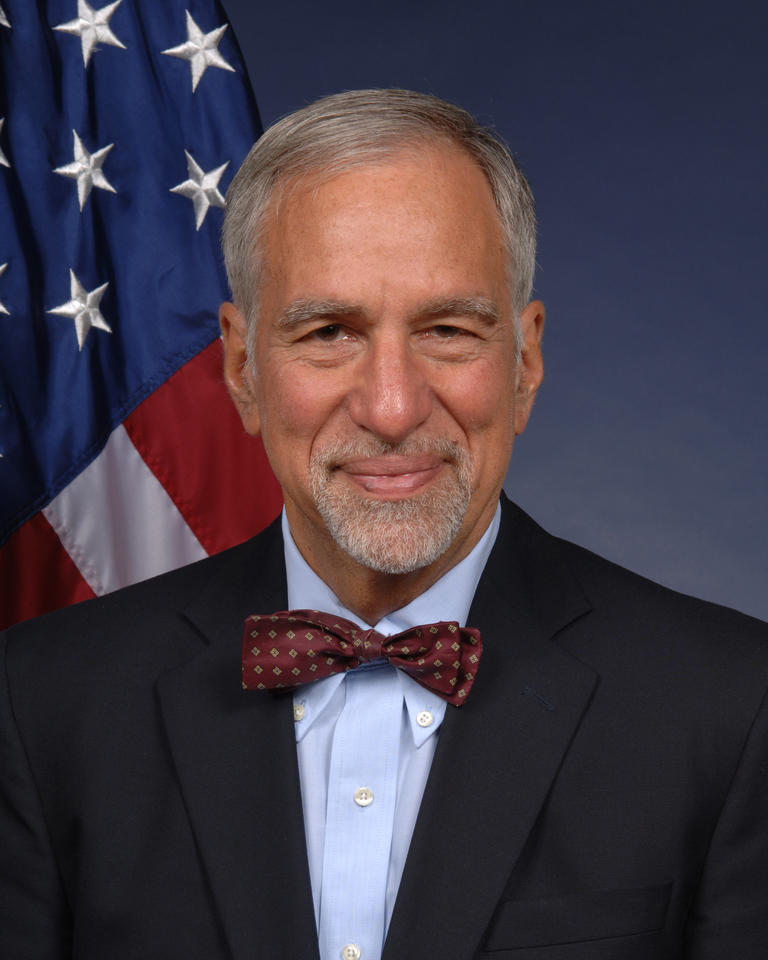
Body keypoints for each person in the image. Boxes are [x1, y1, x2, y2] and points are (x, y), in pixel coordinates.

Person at [1, 89, 767, 960]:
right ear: (244, 370)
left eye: (447, 330)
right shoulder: (39, 706)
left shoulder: (735, 710)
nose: (393, 408)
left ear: (526, 362)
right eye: (329, 332)